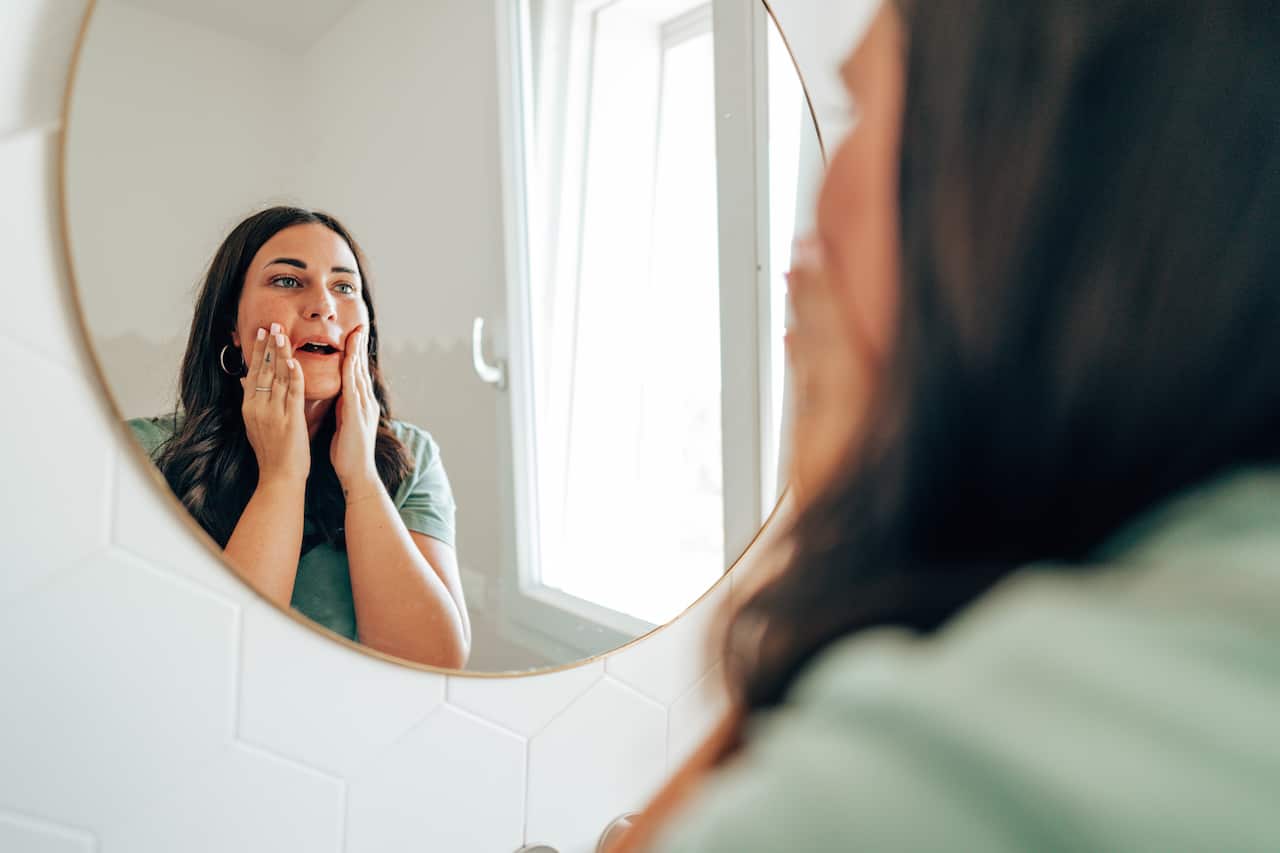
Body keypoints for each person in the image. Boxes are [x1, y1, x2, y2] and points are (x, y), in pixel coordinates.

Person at [619, 0, 1280, 849]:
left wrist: (838, 542)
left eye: (856, 109)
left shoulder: (959, 774)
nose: (816, 214)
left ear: (1004, 175)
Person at [130, 207, 470, 668]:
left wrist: (363, 479)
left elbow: (434, 663)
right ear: (230, 323)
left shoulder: (414, 456)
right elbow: (215, 662)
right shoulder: (143, 454)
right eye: (288, 281)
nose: (323, 306)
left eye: (344, 287)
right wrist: (282, 475)